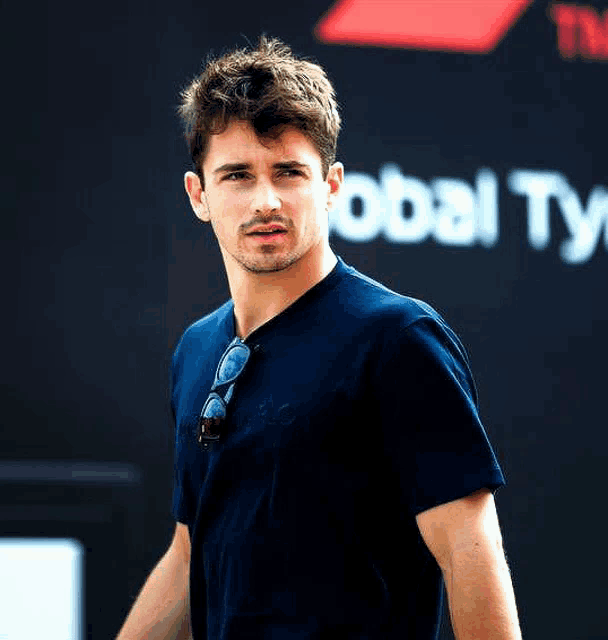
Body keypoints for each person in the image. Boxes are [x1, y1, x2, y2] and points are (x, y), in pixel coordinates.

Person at [116, 36, 522, 640]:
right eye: (237, 175)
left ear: (331, 185)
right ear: (199, 195)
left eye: (288, 171)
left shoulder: (396, 339)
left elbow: (469, 553)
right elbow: (188, 555)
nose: (266, 200)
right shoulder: (196, 350)